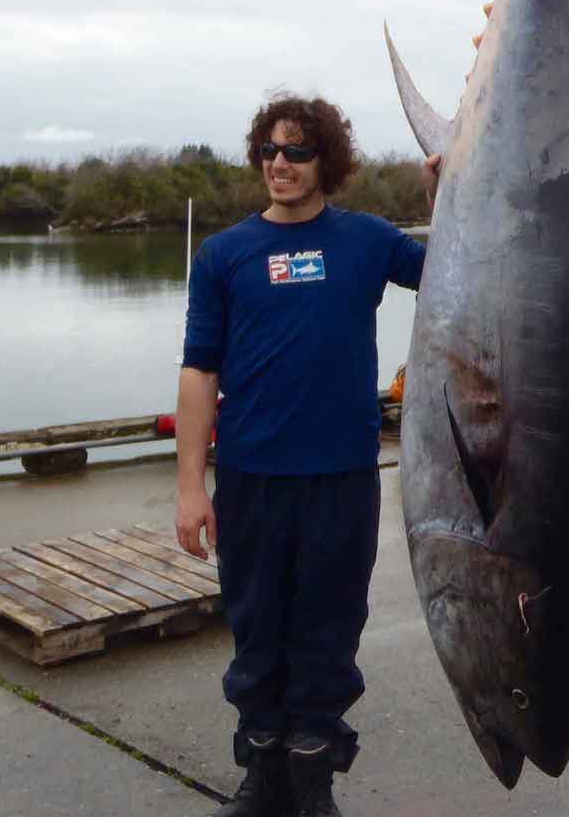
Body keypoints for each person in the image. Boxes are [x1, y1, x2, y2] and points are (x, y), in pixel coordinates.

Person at [175, 95, 436, 817]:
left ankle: (312, 777)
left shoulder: (369, 240)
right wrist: (191, 487)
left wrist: (446, 191)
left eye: (297, 152)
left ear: (328, 163)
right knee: (257, 630)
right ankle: (263, 774)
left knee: (327, 632)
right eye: (270, 152)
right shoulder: (224, 255)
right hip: (253, 479)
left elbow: (460, 268)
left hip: (341, 479)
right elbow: (200, 371)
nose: (280, 165)